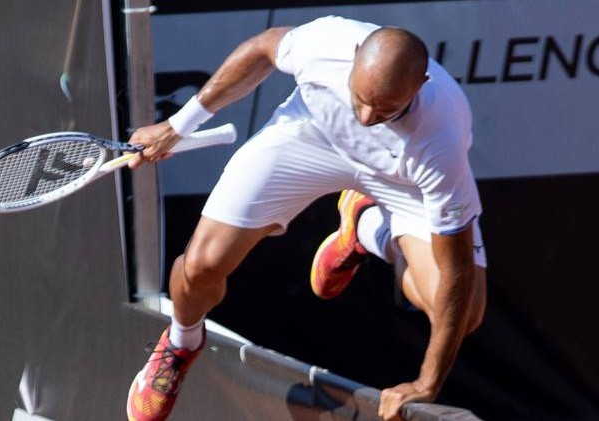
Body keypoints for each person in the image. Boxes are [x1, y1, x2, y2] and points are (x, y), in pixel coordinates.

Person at [125, 15, 487, 421]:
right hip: (311, 139)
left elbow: (456, 268)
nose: (368, 116)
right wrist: (177, 125)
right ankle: (181, 342)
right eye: (361, 98)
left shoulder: (441, 140)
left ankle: (368, 227)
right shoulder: (326, 43)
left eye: (386, 108)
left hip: (400, 179)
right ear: (354, 58)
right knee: (200, 266)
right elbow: (262, 48)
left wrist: (427, 382)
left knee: (463, 311)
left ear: (420, 86)